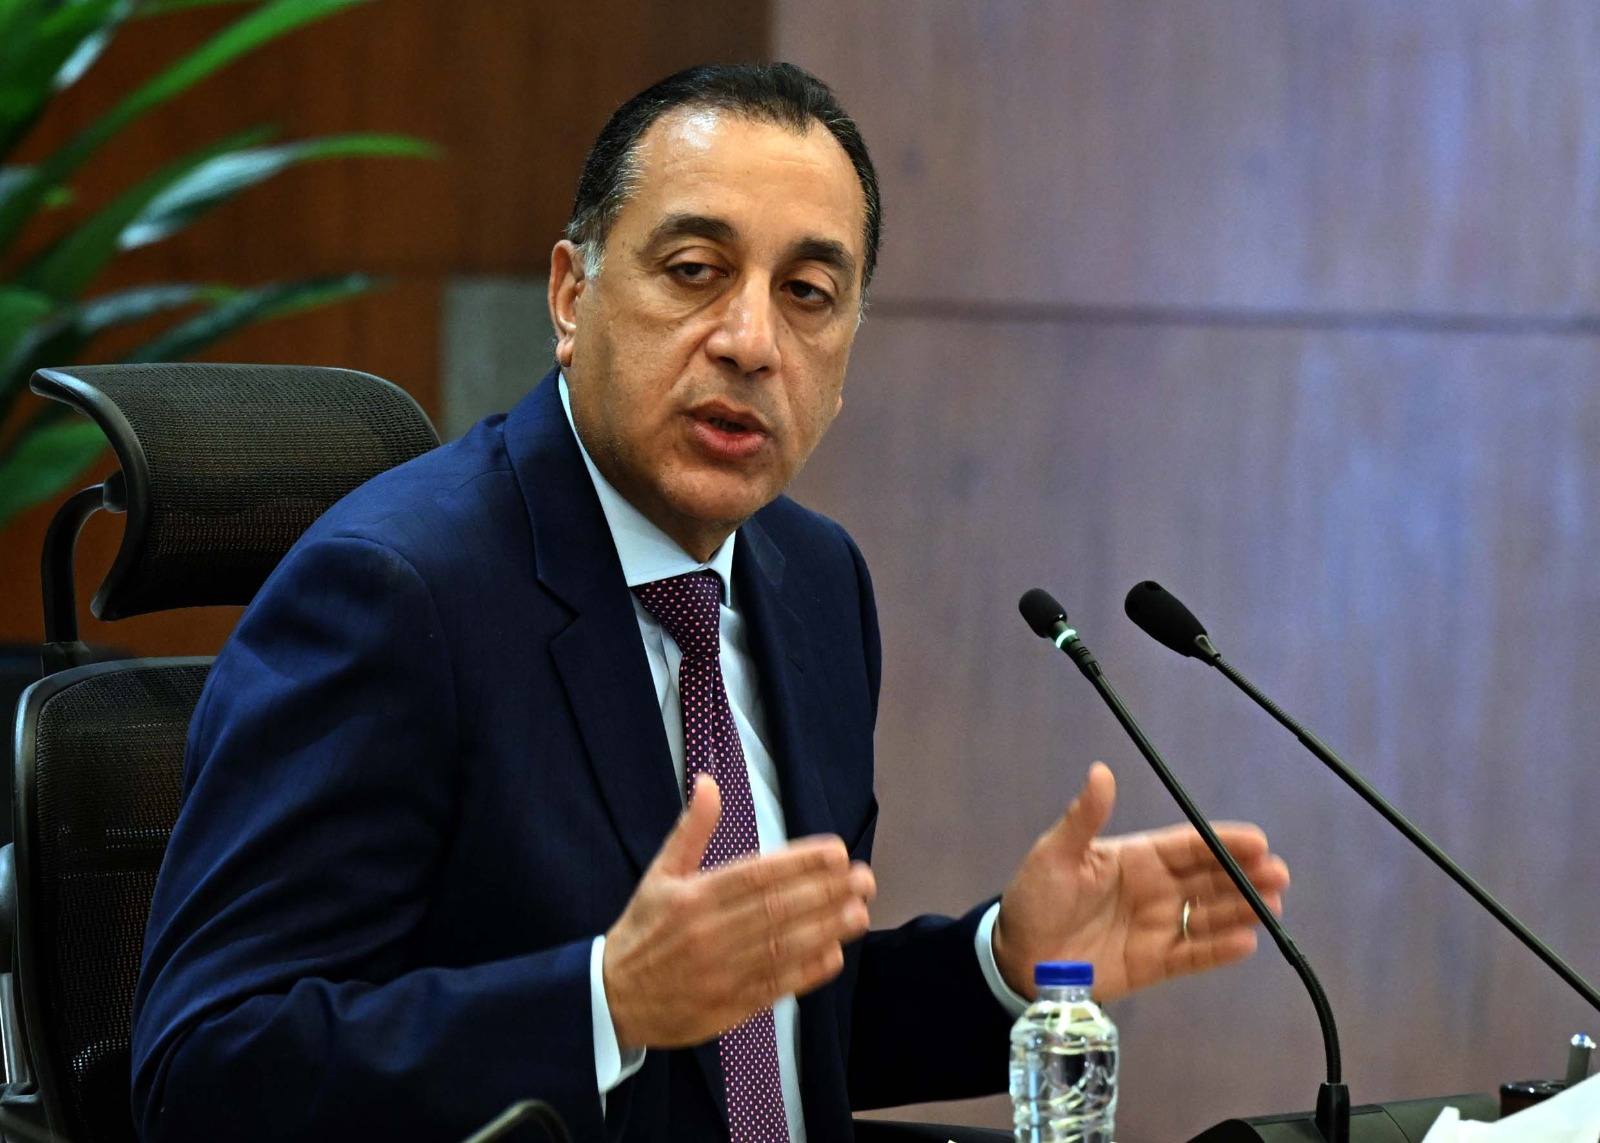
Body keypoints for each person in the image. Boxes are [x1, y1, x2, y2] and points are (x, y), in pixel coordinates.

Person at [130, 63, 1289, 1143]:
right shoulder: (398, 593)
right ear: (571, 295)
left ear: (846, 356)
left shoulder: (813, 581)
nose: (749, 342)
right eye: (694, 272)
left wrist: (1001, 966)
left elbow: (766, 1043)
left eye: (808, 295)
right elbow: (202, 1072)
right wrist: (604, 1003)